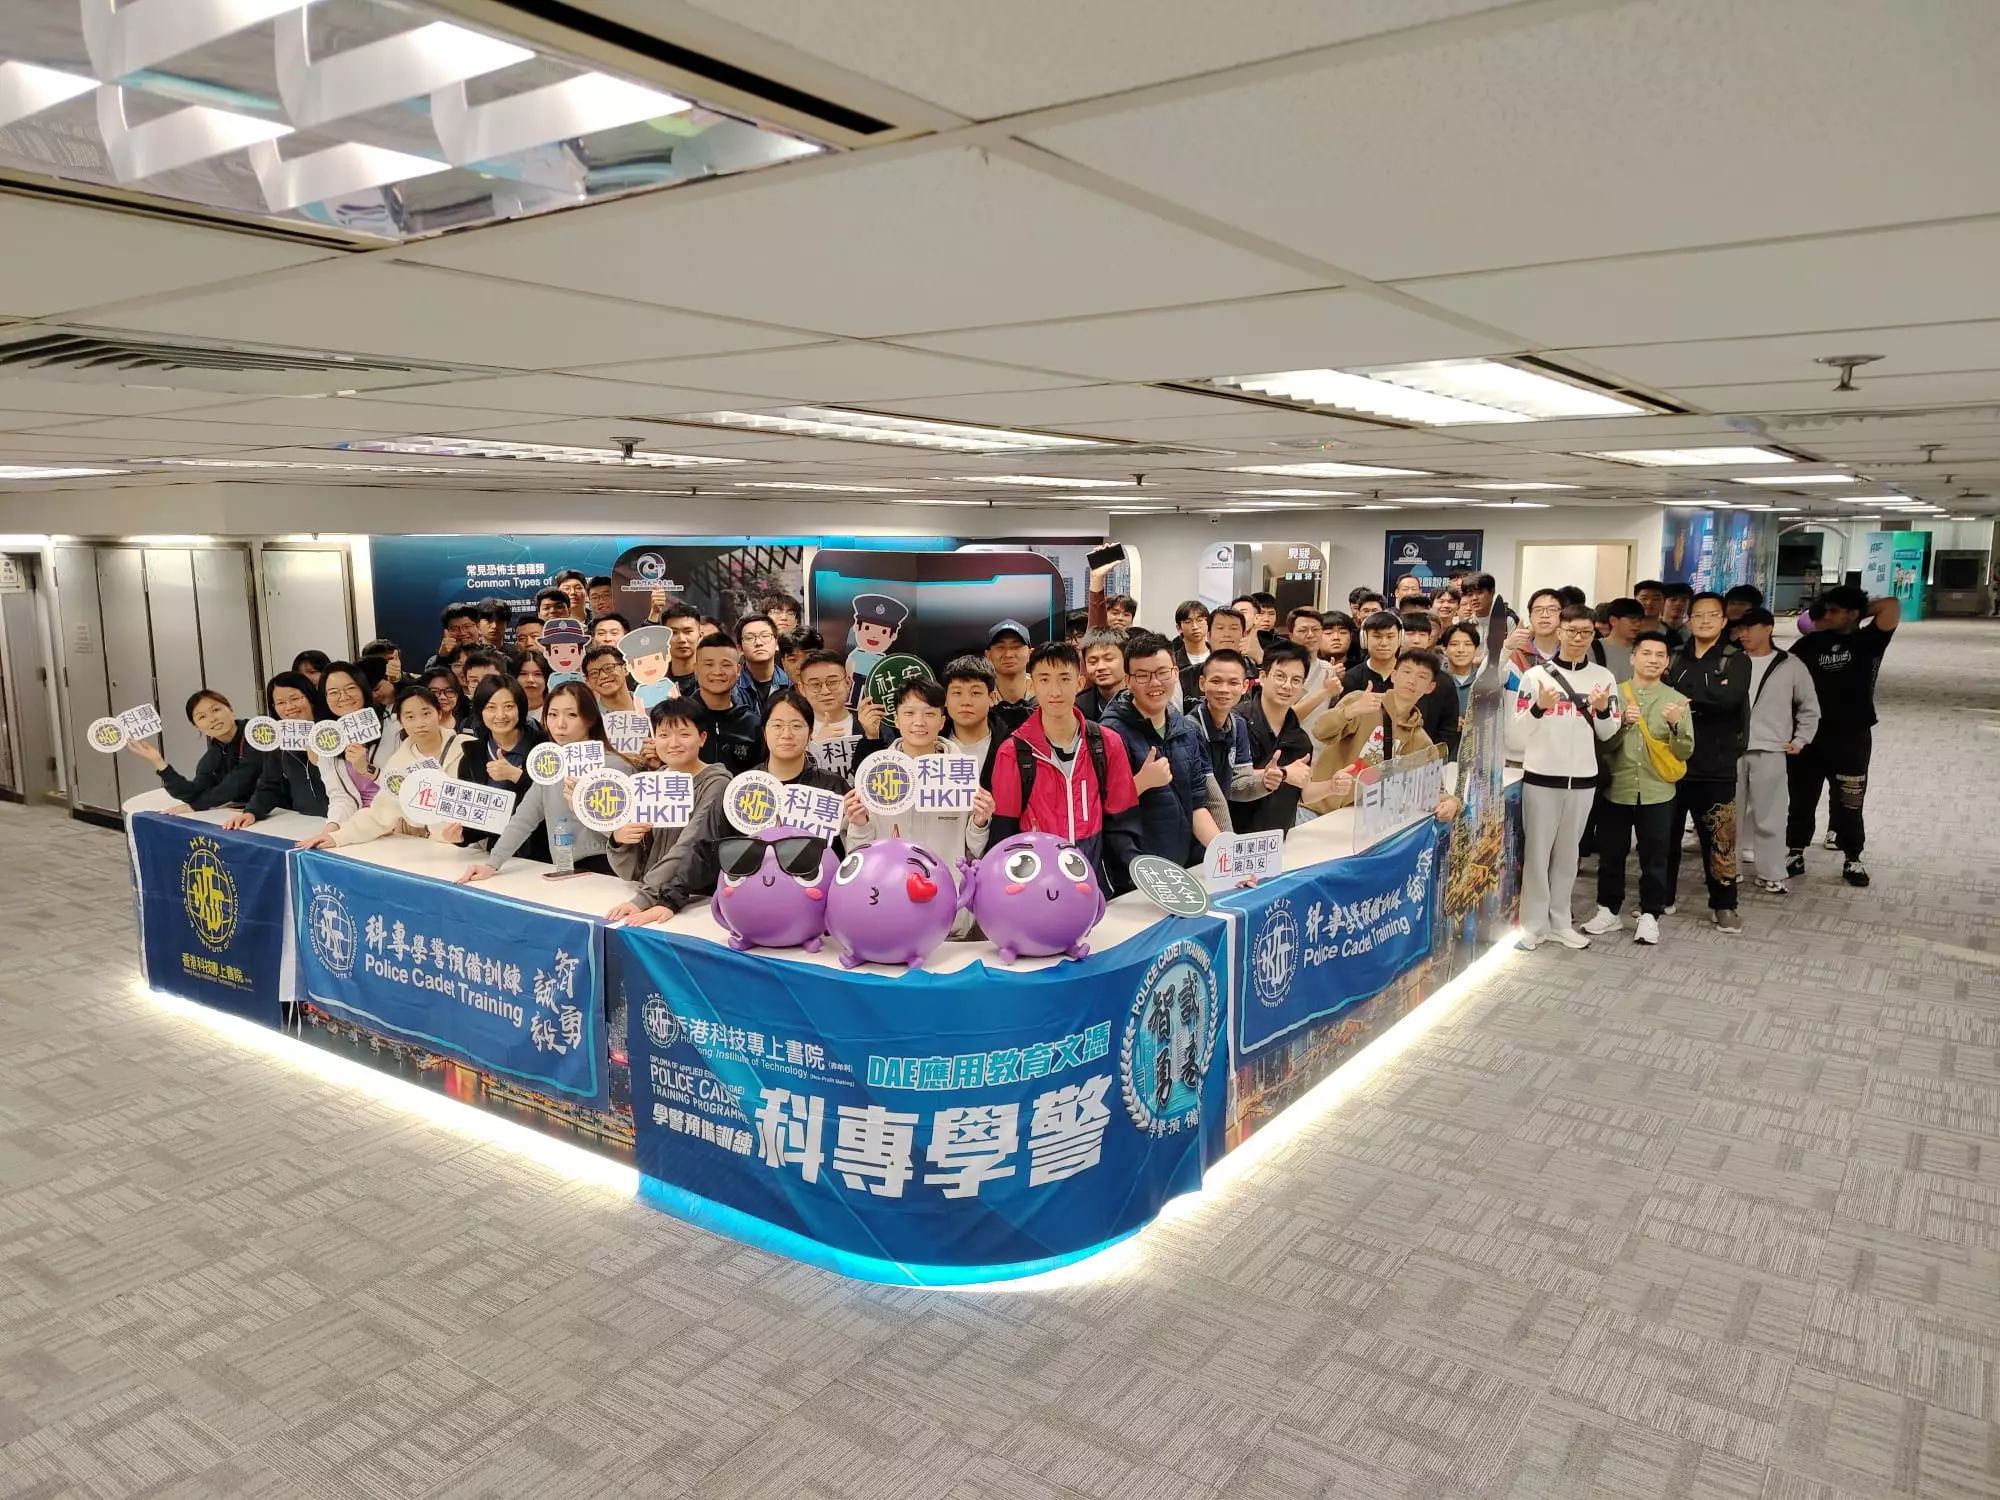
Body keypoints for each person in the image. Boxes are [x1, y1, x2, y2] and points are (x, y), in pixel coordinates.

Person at [1504, 609, 1620, 949]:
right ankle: (1533, 925)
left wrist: (1602, 709)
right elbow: (1516, 736)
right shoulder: (1535, 676)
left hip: (1583, 779)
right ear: (1560, 632)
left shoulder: (1603, 677)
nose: (1578, 638)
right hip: (1541, 777)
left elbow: (1608, 731)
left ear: (1594, 635)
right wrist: (1539, 706)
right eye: (1572, 631)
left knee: (1569, 855)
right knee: (1537, 855)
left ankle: (1560, 922)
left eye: (1586, 632)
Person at [845, 680, 994, 932]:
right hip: (890, 907)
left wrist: (980, 822)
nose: (919, 722)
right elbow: (859, 854)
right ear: (896, 718)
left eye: (929, 714)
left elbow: (974, 850)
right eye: (909, 713)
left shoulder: (959, 773)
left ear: (942, 721)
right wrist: (859, 824)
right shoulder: (877, 773)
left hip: (950, 911)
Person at [990, 641, 1140, 891]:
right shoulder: (1013, 752)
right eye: (1044, 679)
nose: (1055, 691)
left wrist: (1129, 878)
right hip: (1036, 884)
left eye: (1064, 678)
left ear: (1079, 684)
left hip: (1094, 882)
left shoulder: (1107, 743)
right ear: (1032, 685)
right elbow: (1004, 832)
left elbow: (1124, 822)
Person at [1580, 632, 1695, 946]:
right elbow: (1603, 745)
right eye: (1646, 653)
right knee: (1611, 855)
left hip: (1658, 791)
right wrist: (1623, 724)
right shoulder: (1613, 694)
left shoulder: (1676, 699)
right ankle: (1608, 911)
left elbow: (1685, 752)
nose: (1653, 660)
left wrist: (1675, 725)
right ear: (1633, 657)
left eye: (1660, 655)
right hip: (1616, 788)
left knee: (1655, 856)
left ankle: (1650, 915)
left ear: (1667, 662)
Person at [456, 683, 632, 880]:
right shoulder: (551, 766)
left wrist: (586, 807)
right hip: (564, 868)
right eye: (553, 714)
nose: (560, 724)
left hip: (611, 871)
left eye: (571, 715)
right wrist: (492, 864)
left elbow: (628, 835)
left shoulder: (615, 767)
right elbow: (523, 819)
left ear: (590, 719)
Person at [1786, 585, 1899, 887]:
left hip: (1852, 735)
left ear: (1853, 613)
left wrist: (1857, 611)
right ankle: (1795, 851)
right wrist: (1832, 616)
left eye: (1835, 610)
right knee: (1801, 796)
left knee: (1850, 799)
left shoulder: (1869, 640)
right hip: (1809, 734)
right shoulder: (1808, 644)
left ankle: (1853, 858)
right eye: (1825, 610)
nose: (1827, 615)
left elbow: (1891, 606)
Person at [1100, 633, 1230, 880]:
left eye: (1162, 672)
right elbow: (1099, 806)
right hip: (1132, 874)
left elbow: (1197, 805)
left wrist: (1226, 858)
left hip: (1179, 867)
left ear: (1176, 673)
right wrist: (1140, 783)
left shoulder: (1187, 730)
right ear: (1127, 680)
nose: (1155, 683)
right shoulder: (1109, 734)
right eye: (1142, 675)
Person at [1661, 592, 1749, 931]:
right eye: (1698, 615)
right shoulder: (1674, 656)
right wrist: (1700, 700)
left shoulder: (1735, 660)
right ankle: (1661, 897)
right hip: (1672, 762)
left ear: (1724, 621)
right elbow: (1659, 697)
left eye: (1713, 615)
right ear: (1689, 619)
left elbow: (1728, 699)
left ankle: (1724, 904)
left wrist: (1684, 699)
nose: (1705, 621)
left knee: (1720, 838)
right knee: (1664, 838)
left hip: (1716, 764)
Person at [603, 700, 734, 927]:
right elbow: (632, 869)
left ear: (702, 738)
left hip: (695, 901)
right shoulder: (652, 781)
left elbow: (692, 843)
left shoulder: (717, 784)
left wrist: (645, 898)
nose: (673, 743)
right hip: (650, 894)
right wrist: (619, 841)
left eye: (684, 734)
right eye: (663, 735)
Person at [294, 683, 469, 846]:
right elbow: (379, 814)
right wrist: (336, 837)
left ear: (439, 713)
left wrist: (469, 835)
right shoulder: (399, 762)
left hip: (475, 845)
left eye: (426, 714)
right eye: (410, 717)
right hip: (435, 847)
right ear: (401, 722)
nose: (420, 723)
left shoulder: (468, 747)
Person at [1305, 649, 1460, 819]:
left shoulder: (1421, 741)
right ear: (1394, 675)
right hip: (1316, 809)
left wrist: (1452, 803)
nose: (1412, 681)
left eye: (1422, 676)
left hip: (1361, 821)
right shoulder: (1362, 701)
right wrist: (1350, 711)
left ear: (1431, 687)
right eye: (1406, 672)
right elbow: (1319, 731)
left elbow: (1434, 790)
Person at [1732, 608, 1819, 896]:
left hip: (1771, 749)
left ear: (1768, 628)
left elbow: (1809, 707)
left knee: (1770, 816)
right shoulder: (1731, 661)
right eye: (1740, 629)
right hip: (1731, 749)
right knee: (1728, 815)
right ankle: (1728, 869)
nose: (1743, 634)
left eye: (1749, 628)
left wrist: (1802, 739)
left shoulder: (1790, 664)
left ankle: (1770, 873)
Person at [1230, 644, 1330, 834]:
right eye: (1280, 676)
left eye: (1296, 680)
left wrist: (1332, 786)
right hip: (1234, 838)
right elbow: (1227, 780)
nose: (1287, 686)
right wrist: (1283, 774)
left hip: (1278, 840)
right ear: (1262, 677)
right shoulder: (1235, 723)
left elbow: (1302, 793)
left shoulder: (1300, 740)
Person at [218, 673, 329, 830]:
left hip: (342, 822)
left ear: (310, 697)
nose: (289, 707)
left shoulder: (331, 732)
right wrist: (252, 811)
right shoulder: (278, 742)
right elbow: (270, 785)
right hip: (304, 824)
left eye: (295, 698)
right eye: (280, 702)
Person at [123, 689, 256, 813]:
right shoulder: (213, 755)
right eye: (202, 717)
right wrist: (159, 762)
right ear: (196, 726)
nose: (212, 719)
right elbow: (192, 794)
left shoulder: (257, 733)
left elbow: (240, 779)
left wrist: (198, 805)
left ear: (231, 709)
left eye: (216, 710)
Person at [315, 661, 401, 823]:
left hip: (397, 821)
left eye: (350, 688)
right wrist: (333, 826)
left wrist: (367, 769)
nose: (343, 697)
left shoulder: (394, 726)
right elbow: (339, 797)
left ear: (363, 689)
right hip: (356, 824)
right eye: (333, 692)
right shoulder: (327, 738)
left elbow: (405, 786)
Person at [796, 649, 885, 784]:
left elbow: (888, 776)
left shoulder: (874, 725)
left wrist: (872, 737)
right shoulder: (792, 732)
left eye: (832, 682)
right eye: (815, 685)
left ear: (848, 683)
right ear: (802, 689)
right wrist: (814, 748)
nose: (825, 691)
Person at [687, 632, 763, 775]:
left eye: (726, 664)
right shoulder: (680, 718)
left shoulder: (753, 724)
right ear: (696, 669)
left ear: (738, 670)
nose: (717, 671)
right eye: (709, 664)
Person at [942, 656, 1004, 788]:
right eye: (957, 693)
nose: (966, 702)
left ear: (992, 698)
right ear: (945, 699)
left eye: (975, 693)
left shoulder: (1011, 748)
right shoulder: (931, 745)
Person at [1281, 609, 1339, 731]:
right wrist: (1324, 693)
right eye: (1303, 630)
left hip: (1318, 741)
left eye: (1316, 629)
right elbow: (1284, 718)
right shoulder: (1281, 669)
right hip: (1289, 740)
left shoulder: (1328, 669)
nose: (1310, 635)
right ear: (1290, 635)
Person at [1192, 606, 1259, 699]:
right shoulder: (1188, 676)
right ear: (1208, 635)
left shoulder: (1258, 673)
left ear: (1244, 635)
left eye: (1234, 628)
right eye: (1220, 628)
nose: (1227, 634)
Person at [984, 620, 1036, 736]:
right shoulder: (981, 697)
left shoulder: (1045, 692)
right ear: (988, 655)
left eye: (1016, 647)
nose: (1008, 654)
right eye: (1000, 647)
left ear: (1030, 654)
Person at [1437, 622, 1483, 754]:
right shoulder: (1434, 680)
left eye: (1468, 644)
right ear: (1445, 649)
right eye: (1454, 644)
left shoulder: (1483, 681)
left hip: (1476, 753)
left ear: (1476, 649)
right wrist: (1449, 723)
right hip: (1441, 754)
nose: (1461, 650)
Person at [732, 614, 790, 714]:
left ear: (776, 643)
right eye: (749, 638)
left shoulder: (790, 683)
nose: (758, 643)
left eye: (765, 636)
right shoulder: (732, 687)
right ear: (740, 648)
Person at [1340, 611, 1404, 697]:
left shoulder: (1411, 676)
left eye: (1390, 637)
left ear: (1400, 638)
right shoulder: (1352, 677)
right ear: (1364, 639)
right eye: (1377, 637)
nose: (1384, 643)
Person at [1505, 589, 1564, 680]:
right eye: (1538, 610)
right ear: (1530, 618)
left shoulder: (1572, 654)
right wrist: (1505, 647)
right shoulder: (1515, 655)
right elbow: (1486, 681)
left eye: (1552, 610)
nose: (1544, 615)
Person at [1076, 628, 1128, 722]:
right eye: (1093, 661)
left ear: (1126, 660)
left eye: (1108, 659)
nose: (1101, 667)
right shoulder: (1078, 706)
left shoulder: (1143, 699)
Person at [1595, 598, 1646, 681]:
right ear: (1613, 621)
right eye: (1633, 619)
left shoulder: (1645, 649)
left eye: (1640, 620)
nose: (1638, 624)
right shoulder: (1593, 649)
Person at [660, 603, 704, 691]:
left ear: (700, 636)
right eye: (674, 633)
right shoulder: (654, 679)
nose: (682, 639)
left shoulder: (714, 678)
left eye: (688, 631)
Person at [421, 666, 465, 730]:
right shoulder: (416, 727)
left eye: (449, 691)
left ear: (457, 694)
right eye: (435, 692)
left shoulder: (468, 726)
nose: (442, 697)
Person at [1170, 600, 1209, 672]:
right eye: (1188, 622)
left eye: (1200, 620)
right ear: (1179, 628)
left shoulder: (1221, 656)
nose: (1195, 626)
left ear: (1207, 624)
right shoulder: (1172, 662)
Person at [514, 650, 550, 721]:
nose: (530, 680)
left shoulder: (555, 710)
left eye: (537, 674)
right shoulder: (507, 710)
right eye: (523, 674)